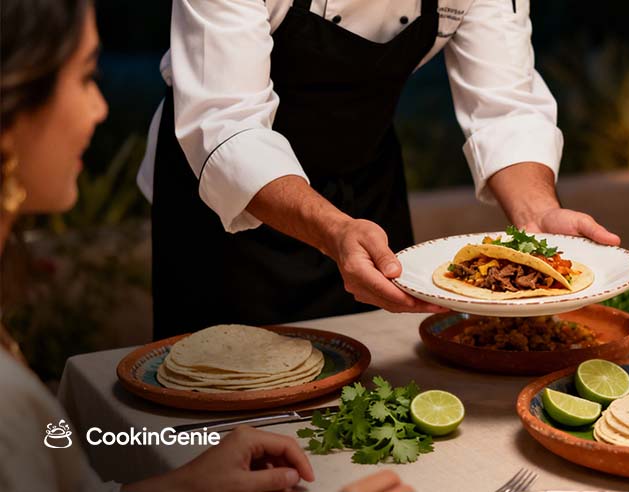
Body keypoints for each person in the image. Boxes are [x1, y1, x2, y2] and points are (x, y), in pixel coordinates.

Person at [0, 1, 411, 491]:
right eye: (87, 76)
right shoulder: (9, 405)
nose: (100, 108)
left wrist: (190, 484)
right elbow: (225, 122)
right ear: (13, 100)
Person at [139, 0, 621, 338]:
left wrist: (538, 217)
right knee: (222, 413)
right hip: (229, 211)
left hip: (366, 197)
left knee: (380, 384)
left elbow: (506, 107)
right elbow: (226, 122)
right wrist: (332, 229)